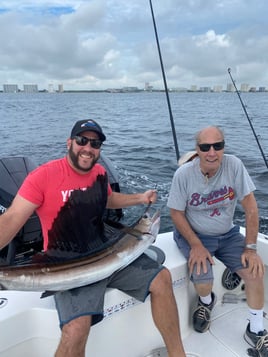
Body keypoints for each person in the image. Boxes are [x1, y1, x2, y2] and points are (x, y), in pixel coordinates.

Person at [0, 119, 186, 357]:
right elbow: (12, 218)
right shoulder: (42, 177)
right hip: (64, 264)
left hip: (105, 253)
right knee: (75, 329)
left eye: (95, 143)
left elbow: (108, 199)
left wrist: (140, 198)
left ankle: (177, 354)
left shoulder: (99, 172)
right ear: (69, 143)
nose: (88, 148)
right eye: (82, 140)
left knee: (162, 279)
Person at [167, 125, 267, 355]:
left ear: (224, 147)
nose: (212, 152)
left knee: (255, 272)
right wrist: (196, 245)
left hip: (228, 233)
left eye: (218, 146)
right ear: (197, 150)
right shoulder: (183, 175)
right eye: (205, 147)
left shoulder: (234, 165)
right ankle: (205, 300)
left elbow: (251, 207)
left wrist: (251, 248)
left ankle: (256, 328)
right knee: (202, 276)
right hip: (195, 235)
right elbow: (176, 213)